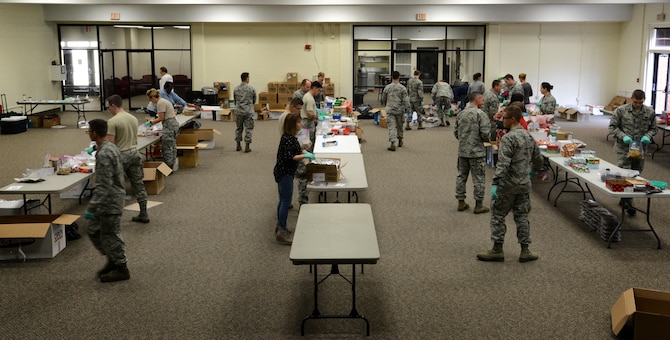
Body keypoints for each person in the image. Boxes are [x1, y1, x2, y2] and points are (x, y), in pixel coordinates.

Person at [477, 105, 544, 263]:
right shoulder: (528, 136)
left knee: (498, 215)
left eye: (504, 118)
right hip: (524, 184)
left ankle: (497, 250)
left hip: (507, 185)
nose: (501, 120)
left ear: (513, 119)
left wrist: (495, 185)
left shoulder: (508, 138)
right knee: (522, 217)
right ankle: (525, 250)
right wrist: (532, 171)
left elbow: (503, 164)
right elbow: (538, 160)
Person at [84, 119, 129, 282]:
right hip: (111, 197)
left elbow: (104, 185)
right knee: (93, 230)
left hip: (110, 201)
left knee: (111, 235)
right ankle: (112, 259)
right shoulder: (110, 146)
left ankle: (121, 267)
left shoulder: (104, 154)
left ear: (95, 133)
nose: (88, 133)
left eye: (89, 131)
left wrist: (92, 207)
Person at [608, 89, 657, 216]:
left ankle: (625, 198)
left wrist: (648, 136)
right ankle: (628, 202)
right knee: (625, 173)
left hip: (639, 149)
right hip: (623, 147)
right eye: (635, 102)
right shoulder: (621, 110)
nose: (637, 104)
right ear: (631, 99)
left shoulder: (649, 112)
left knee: (636, 174)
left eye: (640, 102)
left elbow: (654, 129)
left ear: (644, 100)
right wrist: (622, 136)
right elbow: (612, 127)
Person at [105, 94, 150, 223]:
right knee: (139, 185)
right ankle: (143, 213)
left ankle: (113, 219)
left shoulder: (112, 121)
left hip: (121, 156)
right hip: (134, 153)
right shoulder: (133, 118)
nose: (108, 110)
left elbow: (110, 144)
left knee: (116, 188)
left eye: (108, 107)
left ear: (113, 106)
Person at [274, 113, 316, 244]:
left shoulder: (291, 137)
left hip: (285, 172)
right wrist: (305, 156)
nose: (301, 125)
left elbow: (295, 150)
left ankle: (281, 225)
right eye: (298, 123)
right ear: (292, 125)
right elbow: (290, 157)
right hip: (285, 173)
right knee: (285, 201)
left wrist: (303, 148)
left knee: (283, 200)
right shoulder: (287, 139)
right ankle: (281, 231)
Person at [454, 93, 491, 214]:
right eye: (482, 99)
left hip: (463, 151)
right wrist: (485, 141)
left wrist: (465, 140)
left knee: (461, 176)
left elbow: (456, 132)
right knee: (478, 178)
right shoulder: (481, 114)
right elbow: (485, 133)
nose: (483, 101)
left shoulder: (461, 113)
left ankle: (460, 202)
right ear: (476, 100)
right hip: (477, 152)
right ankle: (478, 205)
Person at [145, 88, 179, 169]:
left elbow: (161, 118)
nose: (150, 101)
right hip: (172, 124)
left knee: (167, 148)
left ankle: (168, 167)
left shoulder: (160, 103)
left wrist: (151, 122)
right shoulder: (163, 101)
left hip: (169, 125)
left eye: (150, 99)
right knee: (172, 146)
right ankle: (173, 164)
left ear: (152, 97)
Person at [381, 71, 410, 151]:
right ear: (399, 77)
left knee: (391, 127)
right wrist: (408, 109)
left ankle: (392, 143)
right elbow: (406, 100)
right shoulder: (402, 88)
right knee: (400, 126)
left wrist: (385, 105)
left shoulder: (387, 87)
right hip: (400, 110)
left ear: (391, 77)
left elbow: (383, 98)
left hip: (390, 109)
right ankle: (400, 140)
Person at [234, 72, 257, 153]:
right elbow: (254, 100)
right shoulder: (251, 89)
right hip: (248, 111)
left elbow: (235, 101)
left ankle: (238, 144)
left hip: (239, 111)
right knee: (249, 128)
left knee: (239, 128)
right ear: (247, 78)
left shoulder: (236, 88)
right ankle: (247, 146)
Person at [300, 81, 322, 152]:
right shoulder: (309, 98)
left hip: (305, 121)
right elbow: (309, 113)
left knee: (305, 140)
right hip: (307, 122)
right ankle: (309, 159)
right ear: (314, 88)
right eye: (318, 90)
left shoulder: (308, 96)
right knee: (309, 141)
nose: (318, 92)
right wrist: (317, 117)